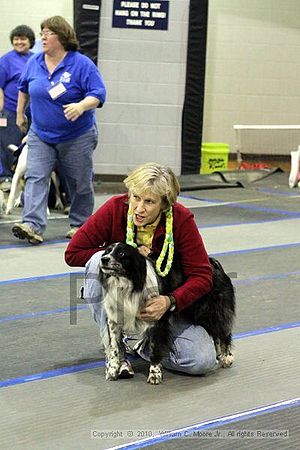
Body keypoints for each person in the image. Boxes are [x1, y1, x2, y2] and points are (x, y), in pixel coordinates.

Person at [65, 162, 219, 378]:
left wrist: (170, 301)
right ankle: (115, 349)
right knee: (97, 260)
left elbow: (202, 276)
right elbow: (73, 253)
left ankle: (141, 344)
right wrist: (131, 254)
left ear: (165, 204)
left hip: (162, 309)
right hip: (119, 299)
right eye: (135, 197)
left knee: (200, 361)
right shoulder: (115, 208)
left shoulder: (181, 219)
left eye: (149, 202)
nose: (139, 208)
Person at [12, 15, 106, 244]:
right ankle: (32, 225)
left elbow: (98, 93)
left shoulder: (81, 64)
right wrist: (19, 114)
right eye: (42, 32)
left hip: (77, 135)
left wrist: (81, 106)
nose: (42, 37)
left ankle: (81, 225)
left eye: (48, 33)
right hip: (41, 133)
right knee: (36, 176)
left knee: (79, 182)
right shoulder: (35, 62)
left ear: (62, 37)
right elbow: (24, 88)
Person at [0, 25, 35, 188]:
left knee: (27, 146)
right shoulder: (6, 60)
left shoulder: (36, 59)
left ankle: (26, 180)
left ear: (30, 41)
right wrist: (1, 111)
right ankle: (6, 177)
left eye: (23, 39)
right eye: (16, 39)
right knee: (8, 145)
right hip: (10, 110)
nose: (19, 42)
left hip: (33, 112)